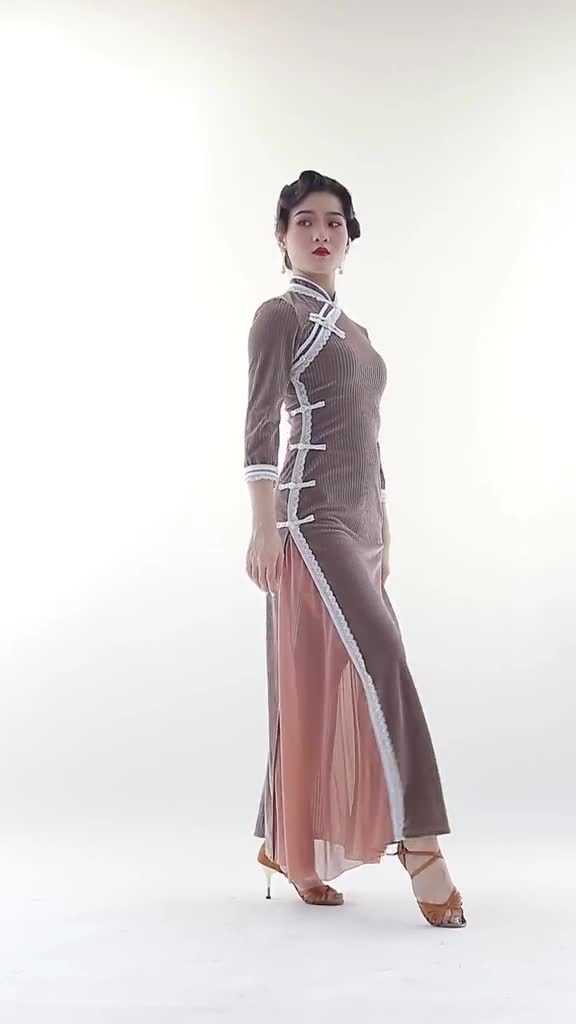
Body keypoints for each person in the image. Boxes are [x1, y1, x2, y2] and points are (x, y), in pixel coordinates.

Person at [243, 169, 466, 928]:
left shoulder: (355, 332)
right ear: (283, 237)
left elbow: (368, 437)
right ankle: (422, 845)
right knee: (383, 660)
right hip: (310, 518)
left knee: (323, 675)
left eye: (333, 221)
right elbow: (259, 427)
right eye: (304, 221)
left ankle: (284, 841)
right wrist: (263, 526)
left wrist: (385, 527)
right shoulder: (279, 316)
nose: (320, 233)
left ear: (349, 236)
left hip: (364, 522)